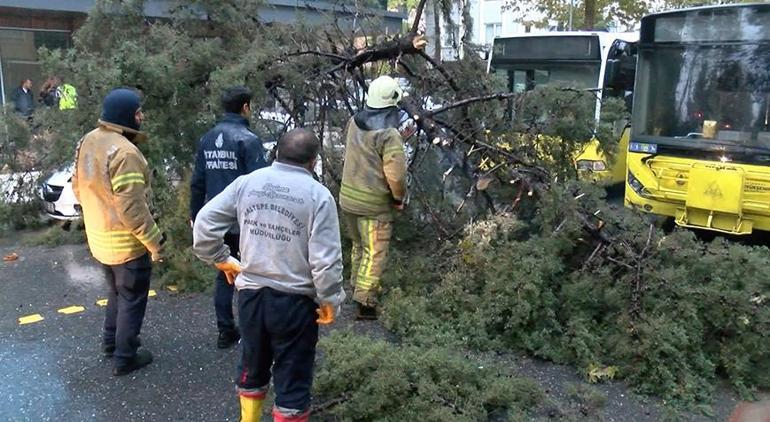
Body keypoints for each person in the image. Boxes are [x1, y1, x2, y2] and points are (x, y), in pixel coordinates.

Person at [193, 128, 345, 422]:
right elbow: (326, 261)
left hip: (251, 296)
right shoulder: (318, 196)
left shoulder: (248, 183)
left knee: (253, 363)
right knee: (292, 376)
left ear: (276, 153)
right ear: (313, 162)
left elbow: (204, 225)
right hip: (295, 304)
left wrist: (222, 260)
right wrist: (329, 299)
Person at [72, 88, 164, 376]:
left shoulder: (88, 140)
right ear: (126, 116)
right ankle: (125, 356)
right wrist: (155, 243)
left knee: (116, 292)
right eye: (138, 112)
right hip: (126, 245)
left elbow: (77, 187)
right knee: (132, 297)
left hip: (99, 240)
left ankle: (110, 343)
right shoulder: (125, 153)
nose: (142, 116)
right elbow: (133, 209)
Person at [190, 86, 267, 349]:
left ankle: (225, 330)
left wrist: (195, 215)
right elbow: (261, 186)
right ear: (245, 107)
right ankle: (252, 329)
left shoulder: (207, 139)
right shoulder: (248, 139)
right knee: (252, 272)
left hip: (216, 218)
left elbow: (197, 182)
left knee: (225, 273)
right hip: (244, 220)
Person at [339, 75, 407, 320]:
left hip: (348, 199)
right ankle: (366, 304)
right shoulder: (389, 135)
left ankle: (356, 287)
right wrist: (399, 198)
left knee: (359, 246)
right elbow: (396, 176)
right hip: (374, 206)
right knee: (374, 251)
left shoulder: (354, 122)